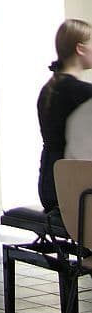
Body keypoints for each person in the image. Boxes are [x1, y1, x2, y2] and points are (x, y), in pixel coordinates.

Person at [37, 18, 92, 211]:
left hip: (49, 186)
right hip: (75, 191)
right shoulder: (82, 93)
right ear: (80, 49)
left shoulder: (48, 89)